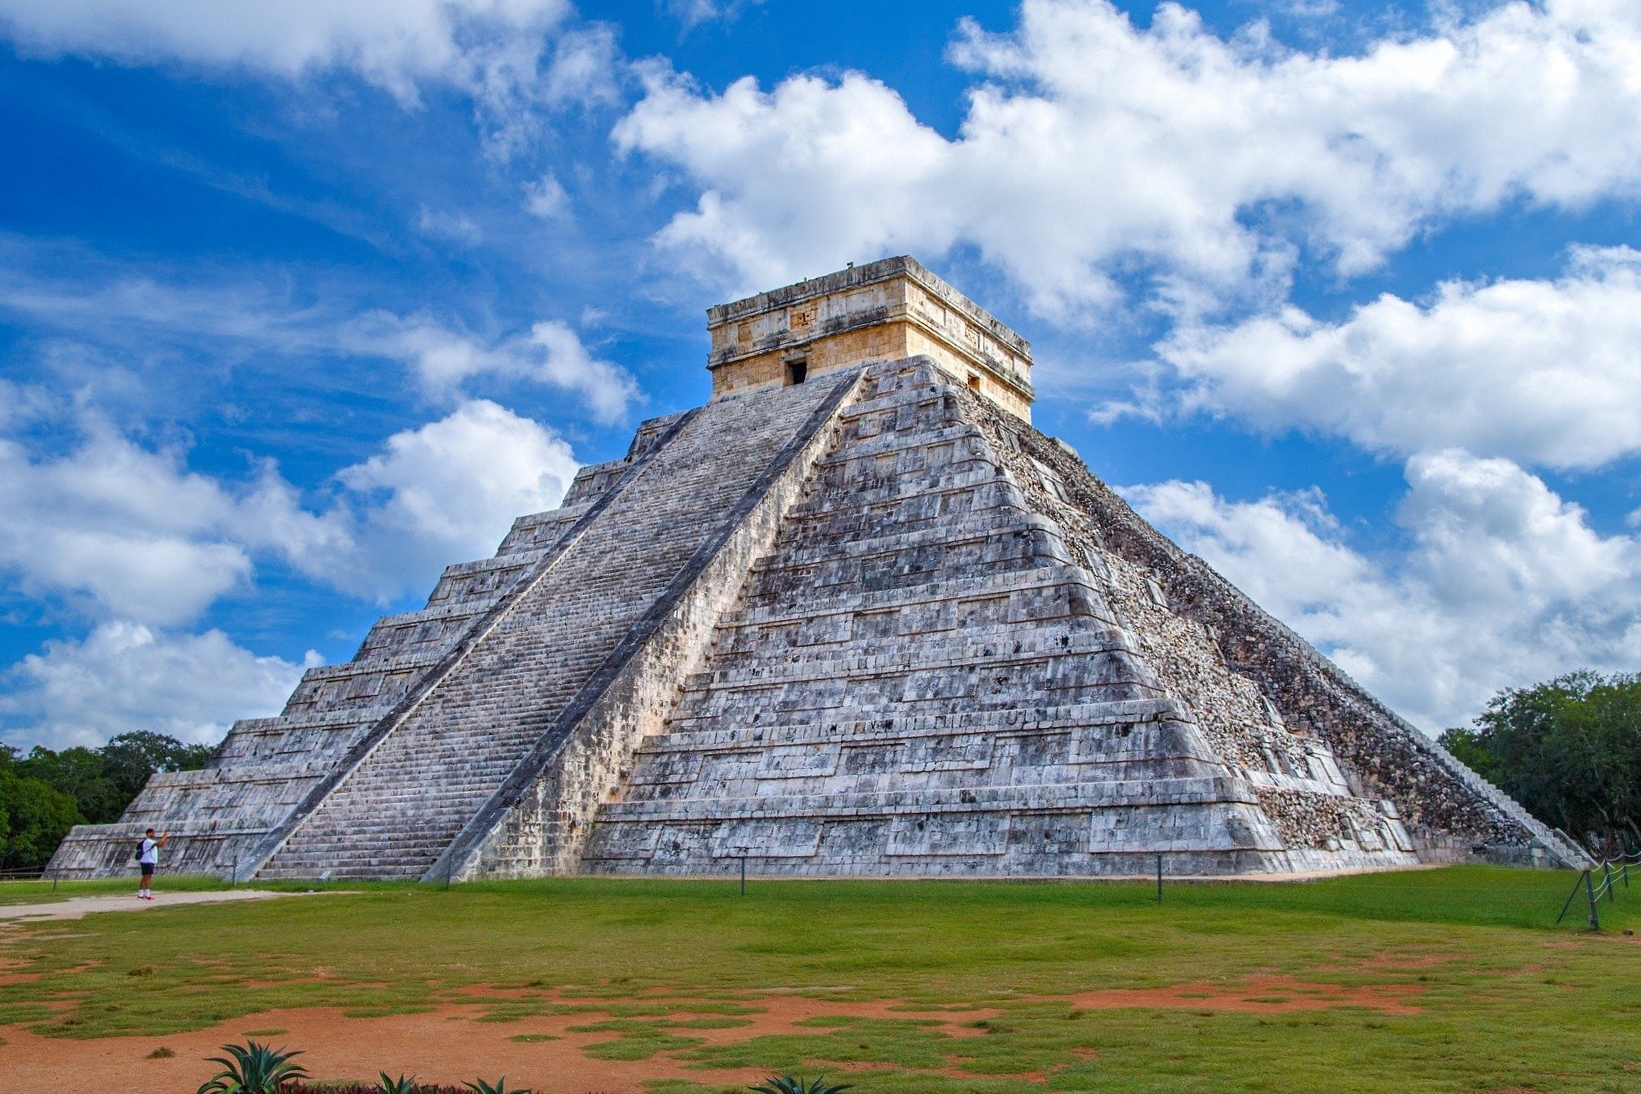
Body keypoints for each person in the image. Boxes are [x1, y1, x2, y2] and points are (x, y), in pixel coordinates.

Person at [137, 828, 168, 900]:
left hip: (149, 861)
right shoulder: (148, 841)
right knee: (147, 878)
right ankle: (147, 894)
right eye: (152, 833)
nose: (154, 834)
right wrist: (163, 837)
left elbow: (161, 845)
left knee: (146, 877)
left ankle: (141, 894)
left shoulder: (151, 841)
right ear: (148, 834)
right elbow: (159, 843)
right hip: (147, 861)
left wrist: (164, 839)